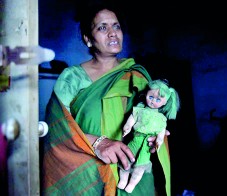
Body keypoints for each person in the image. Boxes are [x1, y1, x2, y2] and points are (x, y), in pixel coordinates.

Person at [42, 1, 171, 196]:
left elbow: (152, 114)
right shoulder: (72, 78)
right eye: (102, 27)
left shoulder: (137, 75)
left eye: (116, 26)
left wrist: (154, 135)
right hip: (89, 174)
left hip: (133, 176)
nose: (112, 33)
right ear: (88, 39)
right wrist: (98, 142)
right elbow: (55, 129)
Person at [117, 79, 180, 193]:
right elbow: (132, 119)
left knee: (140, 166)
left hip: (147, 145)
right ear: (146, 94)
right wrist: (127, 127)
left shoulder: (162, 118)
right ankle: (123, 179)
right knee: (126, 158)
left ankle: (132, 183)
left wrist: (159, 141)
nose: (152, 101)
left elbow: (161, 131)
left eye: (157, 100)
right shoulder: (139, 110)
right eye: (150, 97)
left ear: (164, 102)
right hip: (136, 138)